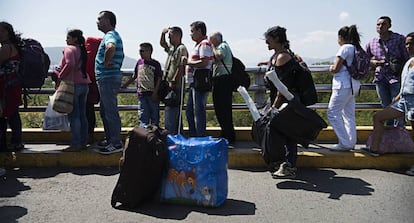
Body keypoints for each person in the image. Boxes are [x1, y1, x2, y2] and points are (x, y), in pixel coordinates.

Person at [367, 32, 414, 158]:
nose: (409, 46)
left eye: (412, 43)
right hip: (403, 101)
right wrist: (395, 101)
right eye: (407, 44)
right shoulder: (409, 62)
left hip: (413, 103)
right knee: (378, 117)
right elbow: (405, 85)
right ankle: (374, 149)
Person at [262, 26, 299, 179]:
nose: (266, 42)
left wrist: (274, 107)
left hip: (285, 101)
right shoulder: (278, 55)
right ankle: (284, 164)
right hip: (282, 99)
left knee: (288, 134)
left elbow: (281, 87)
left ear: (277, 39)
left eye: (268, 39)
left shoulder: (283, 57)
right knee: (283, 133)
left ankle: (289, 166)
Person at [366, 16, 409, 127]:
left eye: (383, 24)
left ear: (389, 26)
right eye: (378, 24)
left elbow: (407, 56)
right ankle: (390, 134)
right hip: (380, 78)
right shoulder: (372, 43)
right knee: (385, 106)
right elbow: (365, 59)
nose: (380, 26)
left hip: (396, 78)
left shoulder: (399, 39)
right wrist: (373, 62)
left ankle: (400, 133)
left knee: (398, 106)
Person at [94, 11, 125, 155]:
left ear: (108, 20)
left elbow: (110, 47)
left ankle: (116, 142)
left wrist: (106, 61)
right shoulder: (113, 35)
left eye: (100, 19)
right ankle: (110, 138)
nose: (97, 22)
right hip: (108, 78)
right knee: (105, 110)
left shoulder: (110, 35)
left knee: (110, 110)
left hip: (107, 78)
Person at [327, 25, 362, 151]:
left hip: (342, 85)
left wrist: (331, 68)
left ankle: (344, 143)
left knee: (332, 113)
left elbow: (335, 68)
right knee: (349, 115)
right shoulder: (355, 48)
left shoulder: (344, 48)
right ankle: (351, 142)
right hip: (354, 85)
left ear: (340, 37)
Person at [56, 29, 91, 152]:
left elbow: (70, 64)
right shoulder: (82, 49)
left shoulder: (69, 49)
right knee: (82, 114)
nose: (66, 40)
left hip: (72, 85)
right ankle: (83, 141)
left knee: (74, 115)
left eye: (68, 37)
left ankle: (75, 144)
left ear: (74, 39)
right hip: (84, 83)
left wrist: (60, 76)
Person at [182, 21, 213, 137]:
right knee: (190, 110)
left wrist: (188, 63)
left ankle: (199, 136)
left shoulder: (204, 44)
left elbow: (204, 62)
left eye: (192, 31)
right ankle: (194, 134)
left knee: (198, 111)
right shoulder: (199, 45)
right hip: (194, 82)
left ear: (199, 31)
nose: (191, 34)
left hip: (199, 82)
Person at [122, 42, 162, 127]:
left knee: (154, 116)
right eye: (140, 51)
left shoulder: (155, 64)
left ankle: (154, 135)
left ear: (149, 51)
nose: (140, 53)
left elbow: (159, 78)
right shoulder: (139, 62)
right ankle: (144, 135)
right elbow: (135, 76)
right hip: (142, 94)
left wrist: (155, 92)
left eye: (143, 51)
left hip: (152, 94)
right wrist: (125, 85)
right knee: (143, 116)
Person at [0, 21, 23, 152]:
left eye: (2, 31)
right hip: (13, 84)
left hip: (6, 85)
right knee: (13, 112)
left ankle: (12, 142)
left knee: (6, 113)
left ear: (8, 32)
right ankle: (17, 141)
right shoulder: (13, 46)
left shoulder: (6, 47)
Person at [159, 27, 188, 134]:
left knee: (172, 112)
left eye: (170, 35)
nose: (168, 37)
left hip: (176, 85)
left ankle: (172, 135)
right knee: (172, 112)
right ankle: (175, 134)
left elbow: (181, 66)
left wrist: (175, 81)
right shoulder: (172, 48)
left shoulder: (181, 49)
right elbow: (162, 44)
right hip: (168, 84)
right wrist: (163, 34)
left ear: (177, 36)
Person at [209, 31, 235, 146]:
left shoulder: (222, 46)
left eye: (212, 40)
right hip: (220, 80)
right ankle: (226, 134)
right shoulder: (221, 46)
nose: (210, 42)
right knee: (221, 109)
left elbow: (218, 56)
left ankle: (228, 135)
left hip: (223, 81)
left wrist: (213, 47)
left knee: (223, 108)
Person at [85, 37, 102, 144]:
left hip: (84, 83)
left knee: (84, 111)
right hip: (98, 83)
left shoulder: (86, 53)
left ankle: (85, 136)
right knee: (91, 110)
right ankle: (90, 135)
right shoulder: (100, 52)